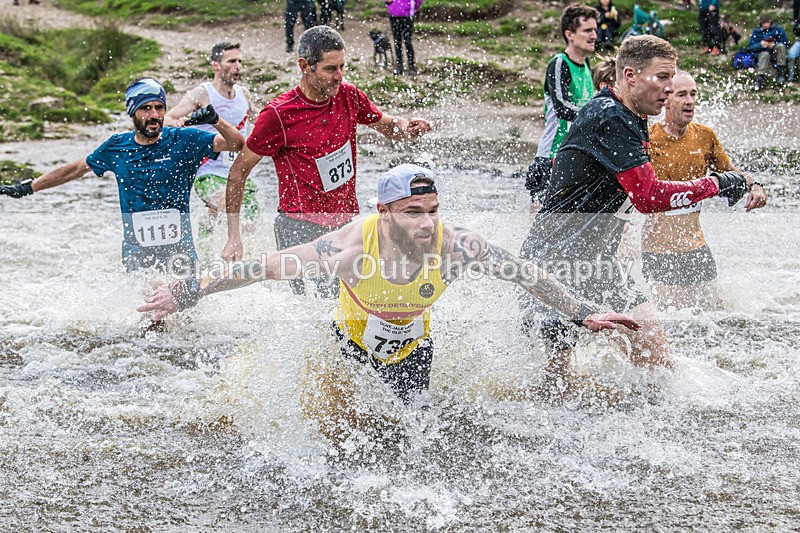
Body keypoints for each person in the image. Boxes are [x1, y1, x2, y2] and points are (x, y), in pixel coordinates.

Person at [138, 164, 640, 409]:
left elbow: (525, 272)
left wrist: (581, 314)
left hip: (413, 350)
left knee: (409, 430)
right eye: (413, 213)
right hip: (348, 348)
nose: (427, 223)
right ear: (385, 212)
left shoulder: (456, 246)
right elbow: (262, 268)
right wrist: (187, 291)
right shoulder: (351, 248)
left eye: (434, 211)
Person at [518, 36, 756, 372]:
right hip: (555, 267)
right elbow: (648, 197)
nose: (670, 89)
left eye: (672, 79)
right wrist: (714, 184)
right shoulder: (610, 117)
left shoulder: (630, 115)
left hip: (600, 263)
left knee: (657, 359)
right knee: (557, 384)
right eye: (662, 78)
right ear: (629, 75)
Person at [221, 26, 431, 297]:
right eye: (330, 69)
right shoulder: (279, 115)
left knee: (350, 306)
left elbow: (388, 125)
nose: (339, 76)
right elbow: (238, 172)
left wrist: (407, 127)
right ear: (305, 66)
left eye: (343, 66)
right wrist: (234, 236)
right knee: (311, 315)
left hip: (346, 226)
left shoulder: (349, 96)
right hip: (299, 228)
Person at [0, 78, 245, 273]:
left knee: (182, 320)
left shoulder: (184, 140)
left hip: (180, 251)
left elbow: (236, 144)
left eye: (159, 108)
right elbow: (75, 169)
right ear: (132, 112)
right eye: (145, 108)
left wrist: (216, 121)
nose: (154, 115)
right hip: (137, 253)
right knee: (150, 322)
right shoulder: (117, 147)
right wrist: (28, 187)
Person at [643, 71, 767, 309]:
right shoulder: (649, 138)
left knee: (716, 312)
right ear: (666, 100)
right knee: (672, 318)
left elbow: (731, 171)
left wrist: (755, 186)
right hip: (658, 247)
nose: (690, 101)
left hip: (696, 245)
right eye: (682, 95)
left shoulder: (704, 136)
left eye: (693, 94)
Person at [165, 42, 256, 235]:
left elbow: (259, 123)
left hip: (240, 170)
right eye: (231, 61)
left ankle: (214, 250)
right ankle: (210, 255)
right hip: (208, 170)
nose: (237, 66)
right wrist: (178, 122)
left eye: (239, 61)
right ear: (215, 65)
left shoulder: (244, 94)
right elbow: (168, 117)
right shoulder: (203, 93)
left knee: (250, 221)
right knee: (226, 206)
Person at [525, 4, 598, 205]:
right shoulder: (559, 64)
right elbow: (562, 108)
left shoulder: (586, 65)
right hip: (551, 156)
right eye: (587, 30)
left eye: (595, 29)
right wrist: (598, 114)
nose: (594, 35)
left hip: (576, 155)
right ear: (570, 34)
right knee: (541, 219)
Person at [748, 15, 789, 90]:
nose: (766, 25)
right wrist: (760, 44)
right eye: (764, 23)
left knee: (780, 46)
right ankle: (760, 78)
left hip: (774, 52)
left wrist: (774, 44)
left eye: (767, 22)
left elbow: (785, 41)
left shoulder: (777, 29)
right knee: (765, 54)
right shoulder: (756, 31)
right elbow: (751, 46)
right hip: (762, 53)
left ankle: (781, 72)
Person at [385, 0, 424, 76]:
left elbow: (419, 1)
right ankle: (399, 66)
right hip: (393, 15)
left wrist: (411, 8)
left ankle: (411, 66)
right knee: (397, 41)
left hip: (407, 16)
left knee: (407, 41)